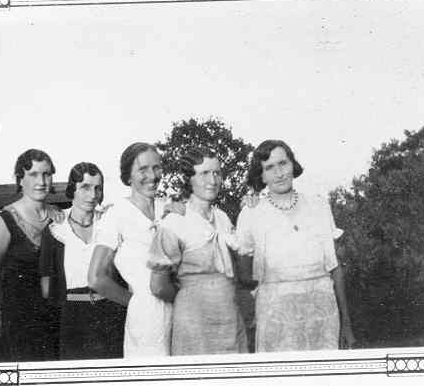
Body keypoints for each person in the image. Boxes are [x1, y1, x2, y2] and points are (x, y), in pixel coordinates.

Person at [235, 140, 355, 352]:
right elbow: (244, 276)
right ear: (261, 176)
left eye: (283, 163)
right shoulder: (251, 213)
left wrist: (346, 323)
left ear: (293, 165)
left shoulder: (318, 206)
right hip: (276, 317)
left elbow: (334, 267)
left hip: (322, 314)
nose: (279, 173)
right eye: (269, 167)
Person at [148, 147, 248, 355]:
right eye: (204, 173)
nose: (213, 180)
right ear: (189, 179)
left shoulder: (222, 218)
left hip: (229, 317)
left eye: (217, 173)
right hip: (194, 321)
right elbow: (158, 286)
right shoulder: (175, 221)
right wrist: (190, 296)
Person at [87, 143, 174, 357]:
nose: (152, 176)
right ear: (128, 176)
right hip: (146, 319)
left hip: (180, 310)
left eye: (156, 167)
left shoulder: (168, 209)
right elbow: (96, 278)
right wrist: (136, 302)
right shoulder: (117, 214)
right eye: (143, 169)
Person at [0, 148, 61, 361]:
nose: (41, 181)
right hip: (21, 323)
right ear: (20, 179)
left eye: (46, 174)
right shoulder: (6, 219)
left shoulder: (59, 216)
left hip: (56, 319)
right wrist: (13, 303)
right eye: (33, 174)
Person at [39, 162, 126, 360]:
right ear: (72, 189)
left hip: (111, 314)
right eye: (85, 187)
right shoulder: (55, 229)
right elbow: (46, 289)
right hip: (73, 319)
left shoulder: (109, 223)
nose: (93, 195)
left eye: (98, 188)